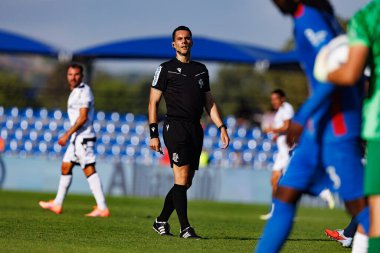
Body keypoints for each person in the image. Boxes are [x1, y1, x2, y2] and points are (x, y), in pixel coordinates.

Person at [255, 1, 369, 252]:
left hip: (336, 125)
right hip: (317, 129)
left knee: (360, 208)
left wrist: (300, 117)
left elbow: (336, 73)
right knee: (285, 195)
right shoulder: (307, 17)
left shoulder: (311, 19)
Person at [148, 26, 229, 239]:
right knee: (181, 178)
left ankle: (161, 221)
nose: (184, 41)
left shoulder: (201, 69)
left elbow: (209, 102)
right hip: (174, 127)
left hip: (195, 128)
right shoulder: (165, 69)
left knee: (186, 182)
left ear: (191, 42)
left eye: (187, 38)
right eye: (179, 39)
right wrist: (153, 134)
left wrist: (222, 127)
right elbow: (153, 102)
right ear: (173, 44)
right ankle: (186, 228)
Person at [317, 1, 380, 251]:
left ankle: (350, 235)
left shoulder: (368, 17)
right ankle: (349, 234)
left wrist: (323, 71)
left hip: (377, 128)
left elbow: (351, 74)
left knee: (374, 210)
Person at [39, 63, 109, 217]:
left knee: (89, 168)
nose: (73, 77)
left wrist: (67, 134)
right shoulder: (75, 92)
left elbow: (83, 117)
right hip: (77, 138)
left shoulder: (84, 91)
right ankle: (57, 204)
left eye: (76, 74)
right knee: (66, 166)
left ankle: (102, 207)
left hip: (83, 137)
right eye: (70, 74)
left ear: (82, 76)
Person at [260, 89, 334, 221]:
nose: (273, 102)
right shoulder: (280, 111)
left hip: (287, 151)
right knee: (274, 180)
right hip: (281, 151)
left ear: (282, 99)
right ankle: (275, 211)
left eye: (275, 99)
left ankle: (321, 190)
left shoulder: (287, 108)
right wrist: (277, 135)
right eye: (272, 99)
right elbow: (283, 129)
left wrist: (271, 129)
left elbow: (288, 126)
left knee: (293, 182)